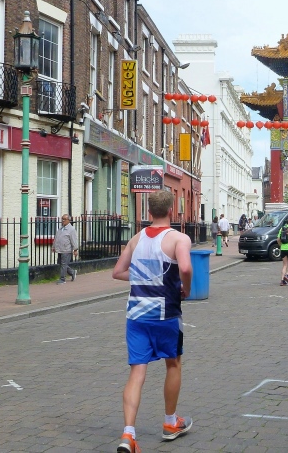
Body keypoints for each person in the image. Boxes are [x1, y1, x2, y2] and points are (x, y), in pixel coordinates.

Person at [111, 190, 194, 453]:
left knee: (137, 372)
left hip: (136, 315)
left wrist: (143, 277)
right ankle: (170, 422)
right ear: (171, 211)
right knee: (174, 364)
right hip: (165, 314)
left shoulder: (136, 239)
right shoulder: (179, 238)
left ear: (149, 212)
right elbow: (185, 268)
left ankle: (128, 434)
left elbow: (118, 272)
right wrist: (186, 287)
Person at [52, 214, 78, 285]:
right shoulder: (61, 229)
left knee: (63, 264)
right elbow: (56, 238)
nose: (63, 220)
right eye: (62, 219)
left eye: (64, 219)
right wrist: (54, 246)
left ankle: (62, 279)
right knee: (61, 263)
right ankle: (72, 272)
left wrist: (75, 250)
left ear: (69, 220)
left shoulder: (71, 229)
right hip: (60, 249)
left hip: (66, 250)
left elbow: (74, 240)